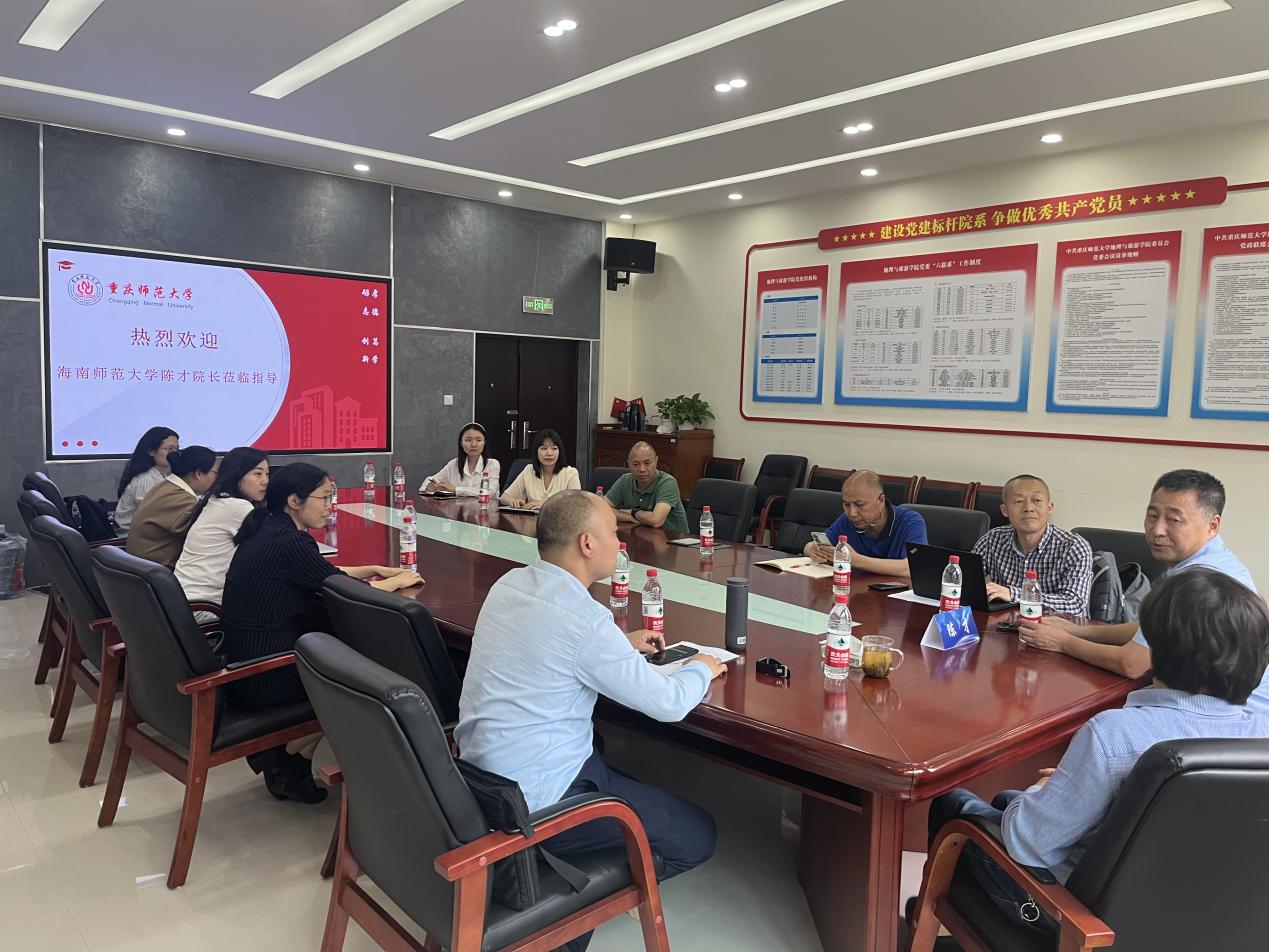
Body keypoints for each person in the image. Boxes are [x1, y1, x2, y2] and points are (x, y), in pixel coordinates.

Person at [923, 568, 1269, 935]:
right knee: (1007, 800)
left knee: (956, 807)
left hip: (1078, 924)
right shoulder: (1258, 737)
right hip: (1190, 923)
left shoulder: (1115, 734)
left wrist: (1041, 790)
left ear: (1159, 650)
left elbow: (1028, 845)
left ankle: (928, 924)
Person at [456, 490, 726, 908]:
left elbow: (544, 642)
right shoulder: (585, 620)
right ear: (587, 543)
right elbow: (669, 703)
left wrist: (615, 644)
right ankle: (568, 888)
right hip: (538, 800)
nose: (620, 543)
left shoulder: (508, 584)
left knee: (604, 750)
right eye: (614, 533)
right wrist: (702, 667)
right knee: (698, 834)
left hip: (479, 780)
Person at [220, 463, 423, 803]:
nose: (330, 506)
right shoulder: (289, 541)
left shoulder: (270, 527)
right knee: (366, 689)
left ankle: (288, 759)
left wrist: (374, 569)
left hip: (247, 657)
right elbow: (347, 593)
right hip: (267, 672)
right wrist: (398, 581)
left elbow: (323, 572)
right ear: (294, 501)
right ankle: (287, 754)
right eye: (325, 498)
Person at [1019, 470, 1258, 689]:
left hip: (1224, 713)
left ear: (1212, 525)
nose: (1157, 530)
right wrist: (1081, 631)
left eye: (1174, 520)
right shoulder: (1217, 560)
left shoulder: (1198, 581)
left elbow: (1132, 664)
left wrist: (1062, 642)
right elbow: (1150, 627)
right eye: (1152, 516)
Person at [972, 474, 1093, 613]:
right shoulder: (992, 540)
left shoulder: (1073, 547)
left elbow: (1075, 604)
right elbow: (965, 582)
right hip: (1004, 623)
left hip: (1054, 625)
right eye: (1018, 501)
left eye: (1037, 500)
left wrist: (1014, 594)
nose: (1028, 508)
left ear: (1049, 507)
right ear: (1005, 510)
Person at [175, 446, 269, 609]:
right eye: (257, 473)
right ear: (237, 474)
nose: (265, 481)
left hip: (181, 599)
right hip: (204, 606)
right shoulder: (238, 507)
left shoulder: (216, 499)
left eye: (267, 474)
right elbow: (273, 547)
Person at [804, 469, 927, 577]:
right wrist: (814, 550)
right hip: (856, 591)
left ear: (881, 500)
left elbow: (913, 567)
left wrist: (856, 560)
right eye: (846, 504)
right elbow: (809, 547)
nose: (852, 513)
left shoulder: (910, 521)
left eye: (860, 505)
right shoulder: (846, 520)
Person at [124, 446, 218, 570]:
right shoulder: (180, 499)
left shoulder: (166, 486)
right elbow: (205, 535)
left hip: (142, 568)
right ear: (198, 474)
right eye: (215, 473)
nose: (217, 478)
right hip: (158, 571)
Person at [603, 441, 689, 533]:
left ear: (656, 461)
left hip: (674, 540)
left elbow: (656, 520)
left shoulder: (667, 482)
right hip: (642, 536)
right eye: (636, 464)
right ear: (628, 464)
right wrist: (628, 516)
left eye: (647, 463)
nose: (642, 469)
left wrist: (634, 512)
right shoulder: (625, 480)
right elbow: (600, 508)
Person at [114, 426, 179, 530]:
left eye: (177, 449)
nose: (174, 453)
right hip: (133, 536)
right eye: (169, 449)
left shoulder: (165, 475)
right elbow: (154, 517)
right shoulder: (145, 479)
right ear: (151, 451)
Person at [500, 428, 581, 509]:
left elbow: (576, 503)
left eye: (554, 448)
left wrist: (546, 504)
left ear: (560, 452)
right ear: (536, 451)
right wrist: (513, 501)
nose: (549, 453)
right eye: (544, 448)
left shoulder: (571, 473)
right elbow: (504, 497)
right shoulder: (529, 470)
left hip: (559, 517)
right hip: (532, 517)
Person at [421, 422, 500, 496]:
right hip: (458, 506)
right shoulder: (454, 464)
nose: (473, 444)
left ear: (484, 442)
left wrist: (456, 489)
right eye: (468, 440)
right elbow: (430, 480)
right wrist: (431, 486)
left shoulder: (492, 464)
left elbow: (491, 491)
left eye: (478, 440)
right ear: (461, 443)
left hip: (485, 506)